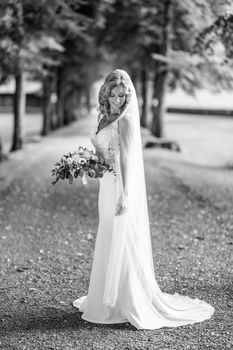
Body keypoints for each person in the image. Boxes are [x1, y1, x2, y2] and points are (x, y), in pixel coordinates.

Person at [73, 69, 214, 330]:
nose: (117, 99)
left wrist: (124, 195)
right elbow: (101, 152)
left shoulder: (125, 120)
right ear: (105, 94)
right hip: (106, 185)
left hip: (120, 186)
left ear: (128, 95)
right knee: (108, 234)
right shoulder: (104, 116)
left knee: (121, 237)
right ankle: (104, 295)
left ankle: (123, 299)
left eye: (122, 94)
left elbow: (125, 160)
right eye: (113, 94)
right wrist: (88, 164)